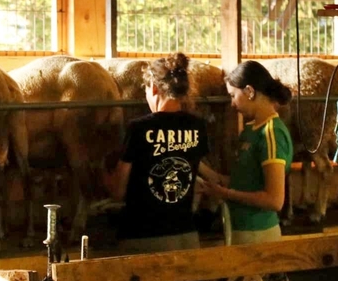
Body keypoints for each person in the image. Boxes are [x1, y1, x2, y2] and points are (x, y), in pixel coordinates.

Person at [106, 52, 210, 255]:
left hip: (142, 237)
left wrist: (100, 174)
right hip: (186, 236)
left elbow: (118, 191)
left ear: (153, 87)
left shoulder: (139, 128)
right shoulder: (198, 126)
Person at [198, 60, 294, 245]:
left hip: (258, 233)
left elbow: (274, 200)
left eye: (233, 95)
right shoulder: (250, 131)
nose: (232, 104)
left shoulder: (271, 133)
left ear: (249, 91)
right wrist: (200, 168)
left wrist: (225, 194)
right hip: (240, 231)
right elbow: (245, 182)